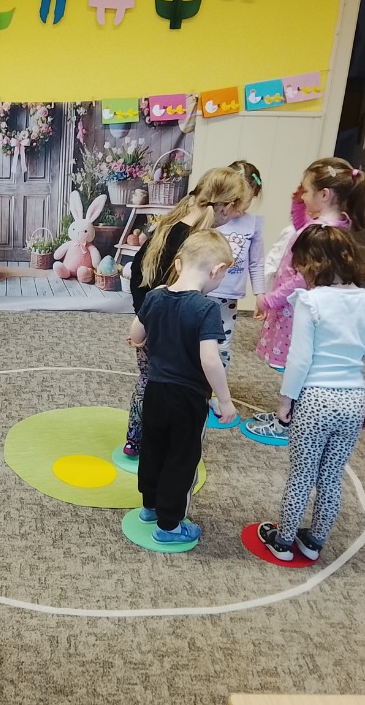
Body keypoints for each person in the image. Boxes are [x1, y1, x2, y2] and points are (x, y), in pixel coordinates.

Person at [256, 225, 365, 561]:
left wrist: (286, 400)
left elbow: (300, 358)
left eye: (301, 267)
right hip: (353, 400)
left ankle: (283, 541)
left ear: (312, 264)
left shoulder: (311, 301)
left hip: (315, 400)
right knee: (332, 475)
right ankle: (314, 541)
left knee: (302, 474)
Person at [122, 167, 249, 456]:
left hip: (152, 326)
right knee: (182, 386)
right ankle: (170, 445)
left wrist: (144, 319)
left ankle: (136, 440)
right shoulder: (197, 241)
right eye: (237, 208)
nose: (238, 214)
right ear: (226, 207)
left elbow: (137, 274)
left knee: (149, 383)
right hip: (173, 334)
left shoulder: (170, 225)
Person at [246, 157, 365, 442]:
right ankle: (289, 414)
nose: (302, 196)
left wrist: (270, 300)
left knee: (296, 367)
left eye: (307, 191)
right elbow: (301, 228)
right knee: (294, 366)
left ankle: (288, 421)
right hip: (294, 306)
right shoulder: (327, 225)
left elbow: (302, 278)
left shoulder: (323, 232)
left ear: (324, 195)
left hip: (295, 309)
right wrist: (298, 203)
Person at [127, 230, 238, 546]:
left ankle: (149, 507)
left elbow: (136, 334)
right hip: (188, 399)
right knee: (182, 458)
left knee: (154, 448)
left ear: (177, 264)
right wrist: (225, 400)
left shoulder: (155, 297)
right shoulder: (206, 308)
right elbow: (211, 360)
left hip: (155, 392)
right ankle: (170, 526)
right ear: (217, 270)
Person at [207, 160, 265, 372]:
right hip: (203, 292)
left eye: (248, 201)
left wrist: (260, 294)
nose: (241, 208)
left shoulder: (254, 224)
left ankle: (216, 386)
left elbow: (257, 263)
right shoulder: (211, 217)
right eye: (238, 200)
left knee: (222, 346)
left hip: (229, 297)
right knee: (198, 342)